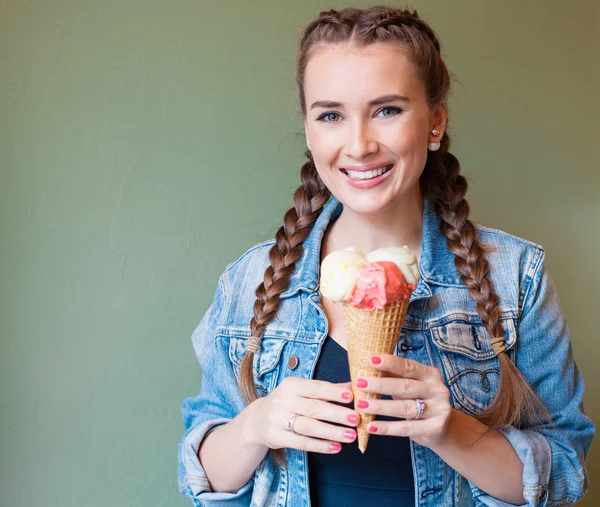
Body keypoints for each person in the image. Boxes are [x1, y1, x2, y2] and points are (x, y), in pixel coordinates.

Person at [177, 6, 594, 507]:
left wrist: (455, 433)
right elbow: (202, 480)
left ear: (435, 121)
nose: (359, 144)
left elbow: (566, 473)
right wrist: (255, 427)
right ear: (310, 132)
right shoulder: (249, 279)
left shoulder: (515, 277)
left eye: (387, 110)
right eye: (331, 115)